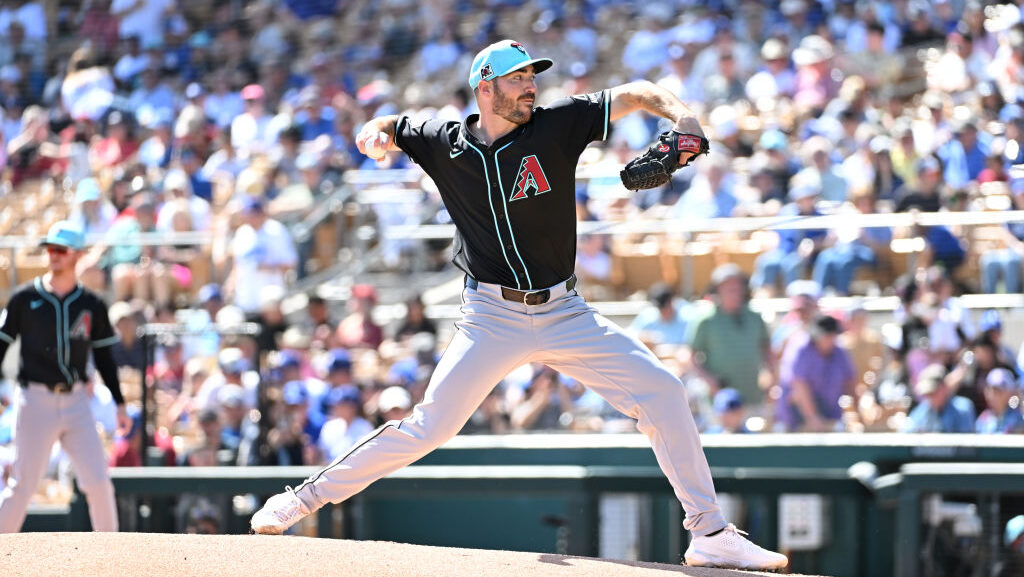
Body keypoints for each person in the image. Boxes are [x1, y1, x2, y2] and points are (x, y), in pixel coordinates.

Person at [250, 39, 786, 571]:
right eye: (518, 78)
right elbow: (395, 126)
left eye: (533, 76)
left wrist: (686, 120)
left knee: (664, 393)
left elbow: (639, 91)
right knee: (428, 427)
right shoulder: (445, 142)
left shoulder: (558, 125)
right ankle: (305, 497)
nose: (531, 86)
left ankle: (710, 532)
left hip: (565, 312)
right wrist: (376, 129)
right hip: (491, 316)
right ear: (486, 88)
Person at [0, 221, 131, 532]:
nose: (53, 255)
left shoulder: (92, 304)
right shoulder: (24, 298)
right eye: (50, 249)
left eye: (61, 250)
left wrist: (120, 403)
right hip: (35, 399)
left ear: (77, 255)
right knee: (23, 485)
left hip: (75, 402)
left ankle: (113, 559)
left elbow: (104, 358)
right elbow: (2, 344)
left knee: (99, 482)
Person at [686, 264, 773, 407]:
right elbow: (691, 357)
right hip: (720, 401)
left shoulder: (755, 318)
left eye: (738, 287)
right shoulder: (706, 320)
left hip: (753, 395)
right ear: (717, 290)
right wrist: (709, 380)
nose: (734, 291)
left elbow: (767, 350)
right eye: (728, 287)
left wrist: (771, 376)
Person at [902, 364, 976, 433]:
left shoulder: (962, 407)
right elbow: (908, 430)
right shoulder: (923, 409)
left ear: (944, 387)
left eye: (933, 392)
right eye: (927, 394)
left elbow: (965, 441)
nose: (930, 397)